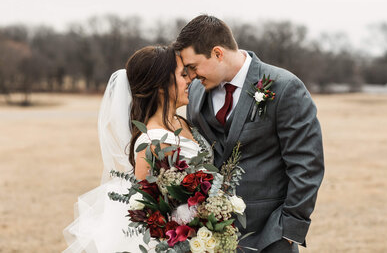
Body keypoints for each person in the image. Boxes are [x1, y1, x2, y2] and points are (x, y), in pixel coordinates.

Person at [173, 15, 324, 253]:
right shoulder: (195, 92)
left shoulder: (284, 87)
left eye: (193, 66)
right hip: (210, 237)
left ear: (218, 53)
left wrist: (287, 230)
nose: (191, 76)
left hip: (269, 237)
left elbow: (307, 165)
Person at [63, 45, 212, 252]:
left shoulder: (181, 122)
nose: (189, 80)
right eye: (182, 74)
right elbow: (153, 212)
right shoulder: (152, 141)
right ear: (161, 85)